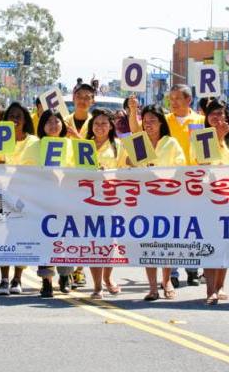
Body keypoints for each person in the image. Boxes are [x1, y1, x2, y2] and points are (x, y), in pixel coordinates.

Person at [130, 84, 204, 287]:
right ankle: (167, 277)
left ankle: (192, 269)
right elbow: (136, 134)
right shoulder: (162, 121)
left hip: (189, 183)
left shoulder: (200, 121)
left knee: (187, 230)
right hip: (154, 194)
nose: (173, 102)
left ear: (188, 100)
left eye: (177, 98)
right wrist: (133, 109)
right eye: (170, 98)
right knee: (156, 237)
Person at [122, 104, 186, 301]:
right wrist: (133, 163)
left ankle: (166, 280)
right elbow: (128, 163)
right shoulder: (139, 142)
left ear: (161, 123)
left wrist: (160, 173)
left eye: (152, 121)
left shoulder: (171, 143)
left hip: (168, 199)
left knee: (166, 243)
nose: (148, 125)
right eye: (146, 121)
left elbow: (181, 167)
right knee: (148, 243)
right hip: (145, 200)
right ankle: (152, 287)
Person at [194, 99, 229, 305]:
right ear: (206, 117)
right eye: (213, 114)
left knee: (225, 243)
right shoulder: (200, 138)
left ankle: (220, 284)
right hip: (206, 197)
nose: (217, 118)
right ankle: (210, 289)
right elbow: (201, 163)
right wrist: (216, 137)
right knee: (209, 243)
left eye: (221, 114)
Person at [0, 102, 39, 295]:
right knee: (0, 237)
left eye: (18, 116)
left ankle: (17, 279)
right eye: (11, 116)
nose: (14, 119)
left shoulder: (34, 142)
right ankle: (4, 279)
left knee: (21, 236)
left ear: (25, 120)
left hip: (24, 197)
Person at [85, 108, 125, 299]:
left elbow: (126, 171)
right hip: (88, 201)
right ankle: (97, 286)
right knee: (94, 242)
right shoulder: (84, 145)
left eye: (104, 123)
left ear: (111, 126)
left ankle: (108, 278)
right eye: (96, 123)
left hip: (112, 200)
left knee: (109, 243)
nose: (99, 127)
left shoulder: (119, 145)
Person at [35, 109, 74, 297]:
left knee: (65, 240)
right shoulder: (35, 145)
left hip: (66, 200)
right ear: (42, 125)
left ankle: (66, 277)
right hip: (42, 201)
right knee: (45, 241)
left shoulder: (71, 145)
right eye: (48, 121)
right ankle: (46, 280)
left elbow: (82, 167)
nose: (53, 124)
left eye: (57, 121)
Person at [64, 83, 95, 287]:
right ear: (73, 98)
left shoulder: (97, 123)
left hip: (89, 182)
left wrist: (75, 137)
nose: (83, 100)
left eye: (87, 97)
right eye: (79, 96)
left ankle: (79, 270)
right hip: (66, 180)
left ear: (92, 101)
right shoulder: (62, 120)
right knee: (67, 227)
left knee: (85, 229)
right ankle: (65, 269)